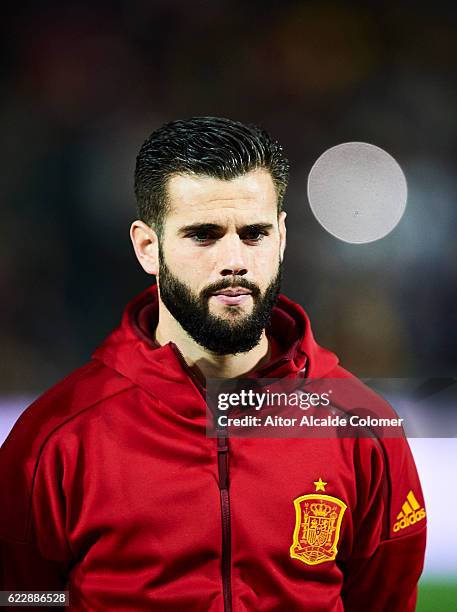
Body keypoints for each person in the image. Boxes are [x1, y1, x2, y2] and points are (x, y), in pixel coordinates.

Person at [0, 117, 426, 611]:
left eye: (254, 234)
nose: (234, 260)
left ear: (282, 238)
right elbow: (21, 597)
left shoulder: (361, 425)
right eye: (203, 235)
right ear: (147, 247)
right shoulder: (56, 435)